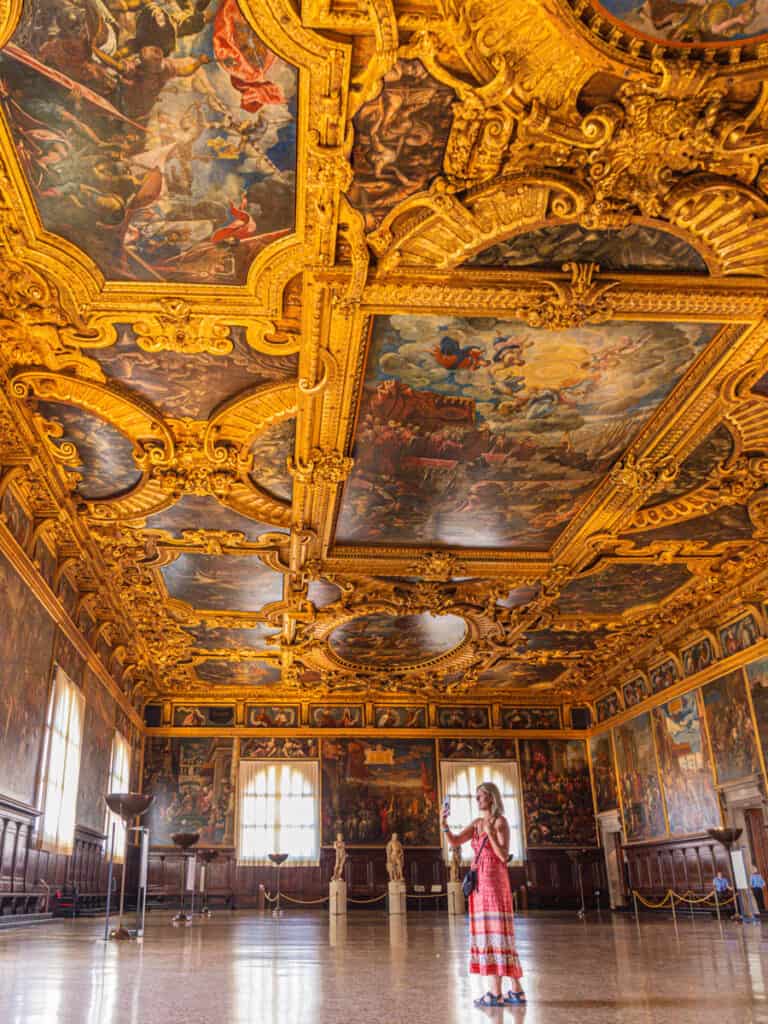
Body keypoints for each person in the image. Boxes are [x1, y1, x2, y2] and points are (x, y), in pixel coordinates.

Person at [442, 782, 525, 1008]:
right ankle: (516, 991)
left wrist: (490, 833)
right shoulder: (477, 823)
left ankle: (495, 993)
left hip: (495, 883)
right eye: (476, 796)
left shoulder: (500, 822)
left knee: (497, 934)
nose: (477, 800)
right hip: (479, 884)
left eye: (480, 796)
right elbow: (456, 841)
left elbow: (503, 856)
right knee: (488, 934)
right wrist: (444, 825)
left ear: (491, 798)